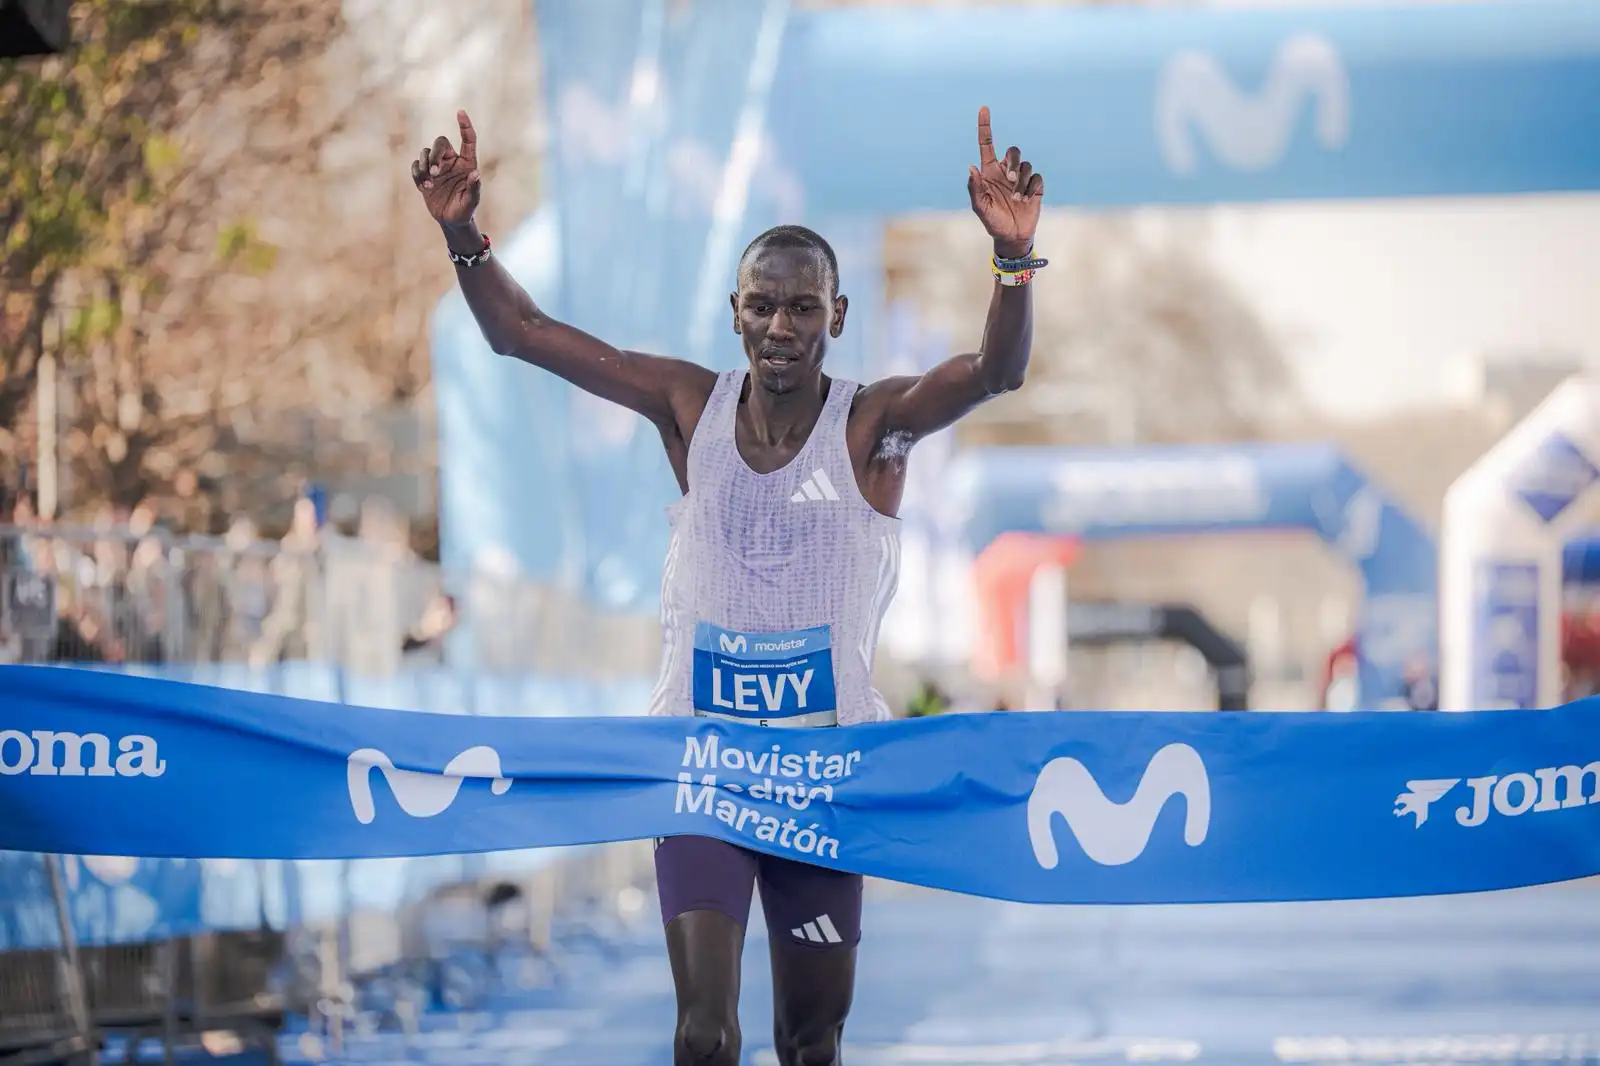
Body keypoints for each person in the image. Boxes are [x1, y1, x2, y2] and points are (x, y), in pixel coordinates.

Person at [413, 105, 1044, 1066]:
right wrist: (462, 232)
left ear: (836, 317)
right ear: (736, 312)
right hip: (704, 766)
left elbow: (997, 372)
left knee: (809, 1039)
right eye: (762, 306)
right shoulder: (685, 406)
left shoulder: (875, 425)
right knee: (703, 1036)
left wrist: (1011, 261)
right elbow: (523, 334)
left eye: (802, 308)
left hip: (825, 776)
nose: (780, 327)